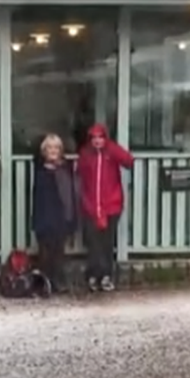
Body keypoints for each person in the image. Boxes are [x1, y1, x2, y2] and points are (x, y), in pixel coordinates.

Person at [75, 123, 134, 292]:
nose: (97, 141)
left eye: (100, 137)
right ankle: (93, 275)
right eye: (94, 138)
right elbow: (79, 174)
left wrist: (113, 150)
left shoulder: (112, 150)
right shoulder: (85, 154)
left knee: (107, 243)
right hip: (91, 206)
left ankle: (106, 275)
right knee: (93, 244)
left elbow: (128, 160)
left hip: (111, 206)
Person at [31, 134, 76, 293]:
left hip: (61, 217)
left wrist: (71, 219)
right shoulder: (40, 168)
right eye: (49, 147)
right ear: (44, 150)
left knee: (59, 254)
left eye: (56, 147)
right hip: (44, 218)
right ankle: (44, 284)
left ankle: (57, 283)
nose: (53, 151)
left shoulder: (65, 169)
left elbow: (70, 195)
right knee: (44, 254)